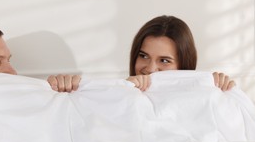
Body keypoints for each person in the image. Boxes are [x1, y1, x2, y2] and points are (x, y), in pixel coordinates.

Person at [47, 15, 235, 92]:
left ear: (184, 65)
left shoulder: (197, 97)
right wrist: (66, 89)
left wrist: (216, 91)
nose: (150, 69)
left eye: (164, 60)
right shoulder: (117, 92)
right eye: (143, 56)